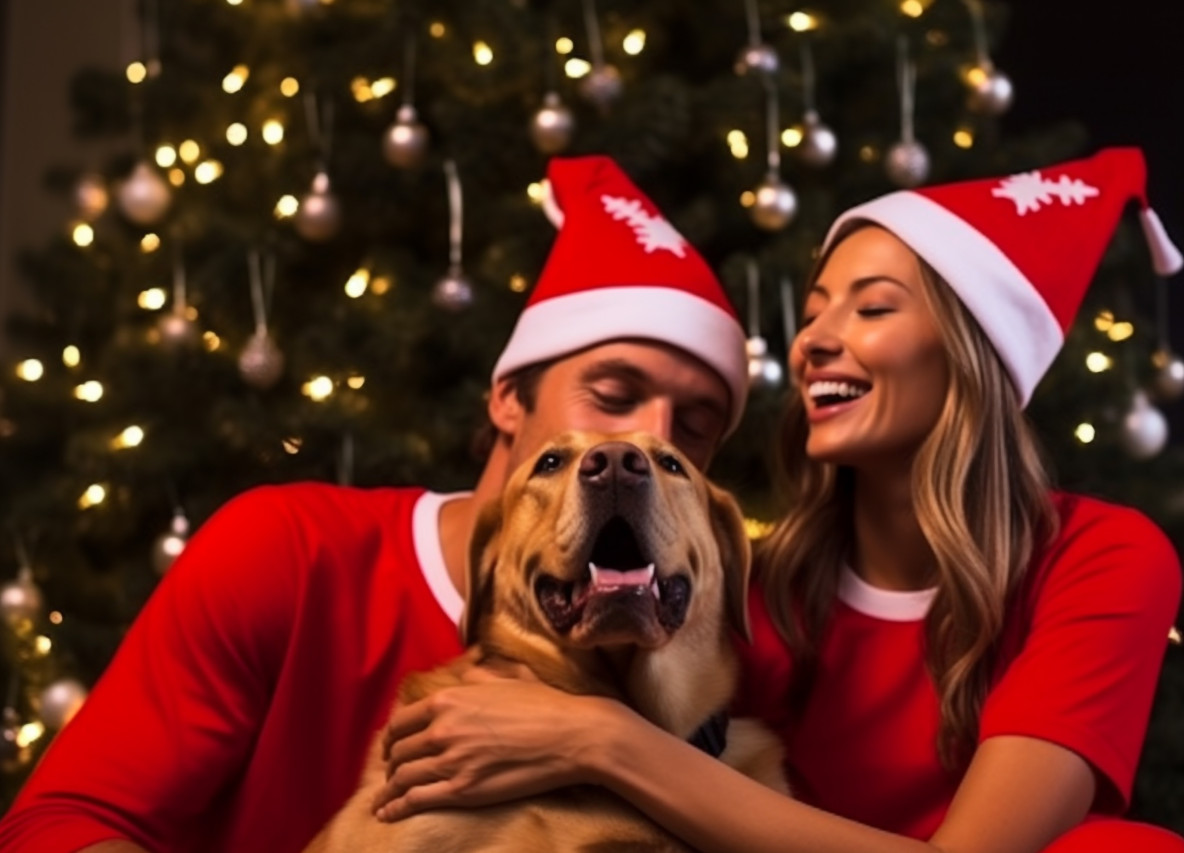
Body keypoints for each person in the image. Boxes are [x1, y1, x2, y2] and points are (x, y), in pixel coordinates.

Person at [370, 148, 1184, 853]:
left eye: (872, 307)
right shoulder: (755, 591)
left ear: (973, 360)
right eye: (812, 314)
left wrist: (602, 739)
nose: (813, 342)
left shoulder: (1099, 557)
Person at [0, 155, 750, 853]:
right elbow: (61, 824)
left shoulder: (720, 646)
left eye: (692, 431)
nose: (642, 448)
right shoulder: (286, 549)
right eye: (612, 396)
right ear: (507, 399)